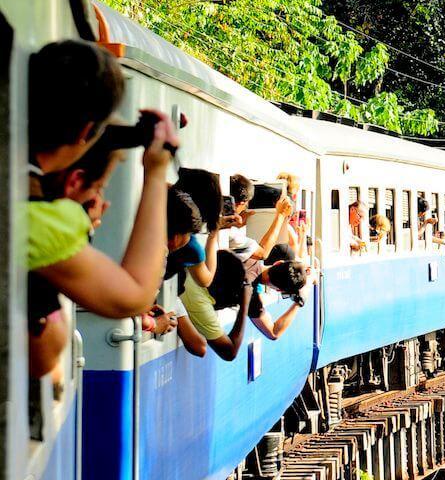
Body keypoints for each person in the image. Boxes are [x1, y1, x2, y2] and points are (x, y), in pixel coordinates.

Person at [27, 41, 177, 382]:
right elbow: (135, 296)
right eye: (98, 189)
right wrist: (155, 172)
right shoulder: (39, 219)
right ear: (84, 131)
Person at [176, 250, 311, 358]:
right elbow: (273, 332)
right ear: (279, 290)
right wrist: (298, 303)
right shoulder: (250, 297)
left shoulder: (248, 252)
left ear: (277, 263)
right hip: (188, 301)